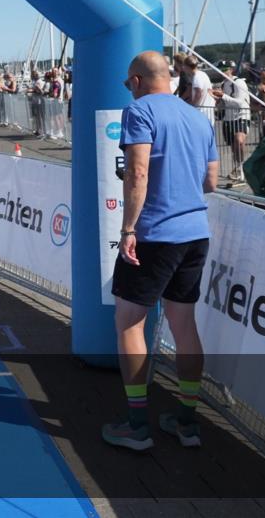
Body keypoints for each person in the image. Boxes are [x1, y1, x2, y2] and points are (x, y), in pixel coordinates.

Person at [103, 51, 218, 452]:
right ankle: (187, 423)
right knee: (184, 326)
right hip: (195, 233)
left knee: (130, 323)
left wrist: (129, 227)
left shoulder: (139, 111)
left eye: (127, 83)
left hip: (155, 233)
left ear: (136, 81)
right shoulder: (197, 117)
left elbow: (136, 172)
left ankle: (137, 425)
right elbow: (211, 182)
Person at [211, 61, 251, 182]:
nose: (222, 72)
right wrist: (216, 99)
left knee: (239, 141)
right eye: (220, 70)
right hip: (228, 118)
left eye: (225, 69)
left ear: (231, 70)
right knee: (234, 147)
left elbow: (239, 102)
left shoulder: (239, 82)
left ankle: (243, 169)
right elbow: (223, 103)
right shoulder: (224, 84)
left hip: (241, 116)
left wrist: (222, 96)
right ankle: (239, 168)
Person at [183, 56, 215, 126]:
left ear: (187, 67)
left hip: (202, 112)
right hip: (208, 111)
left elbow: (198, 93)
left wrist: (192, 106)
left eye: (184, 66)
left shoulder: (197, 77)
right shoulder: (203, 74)